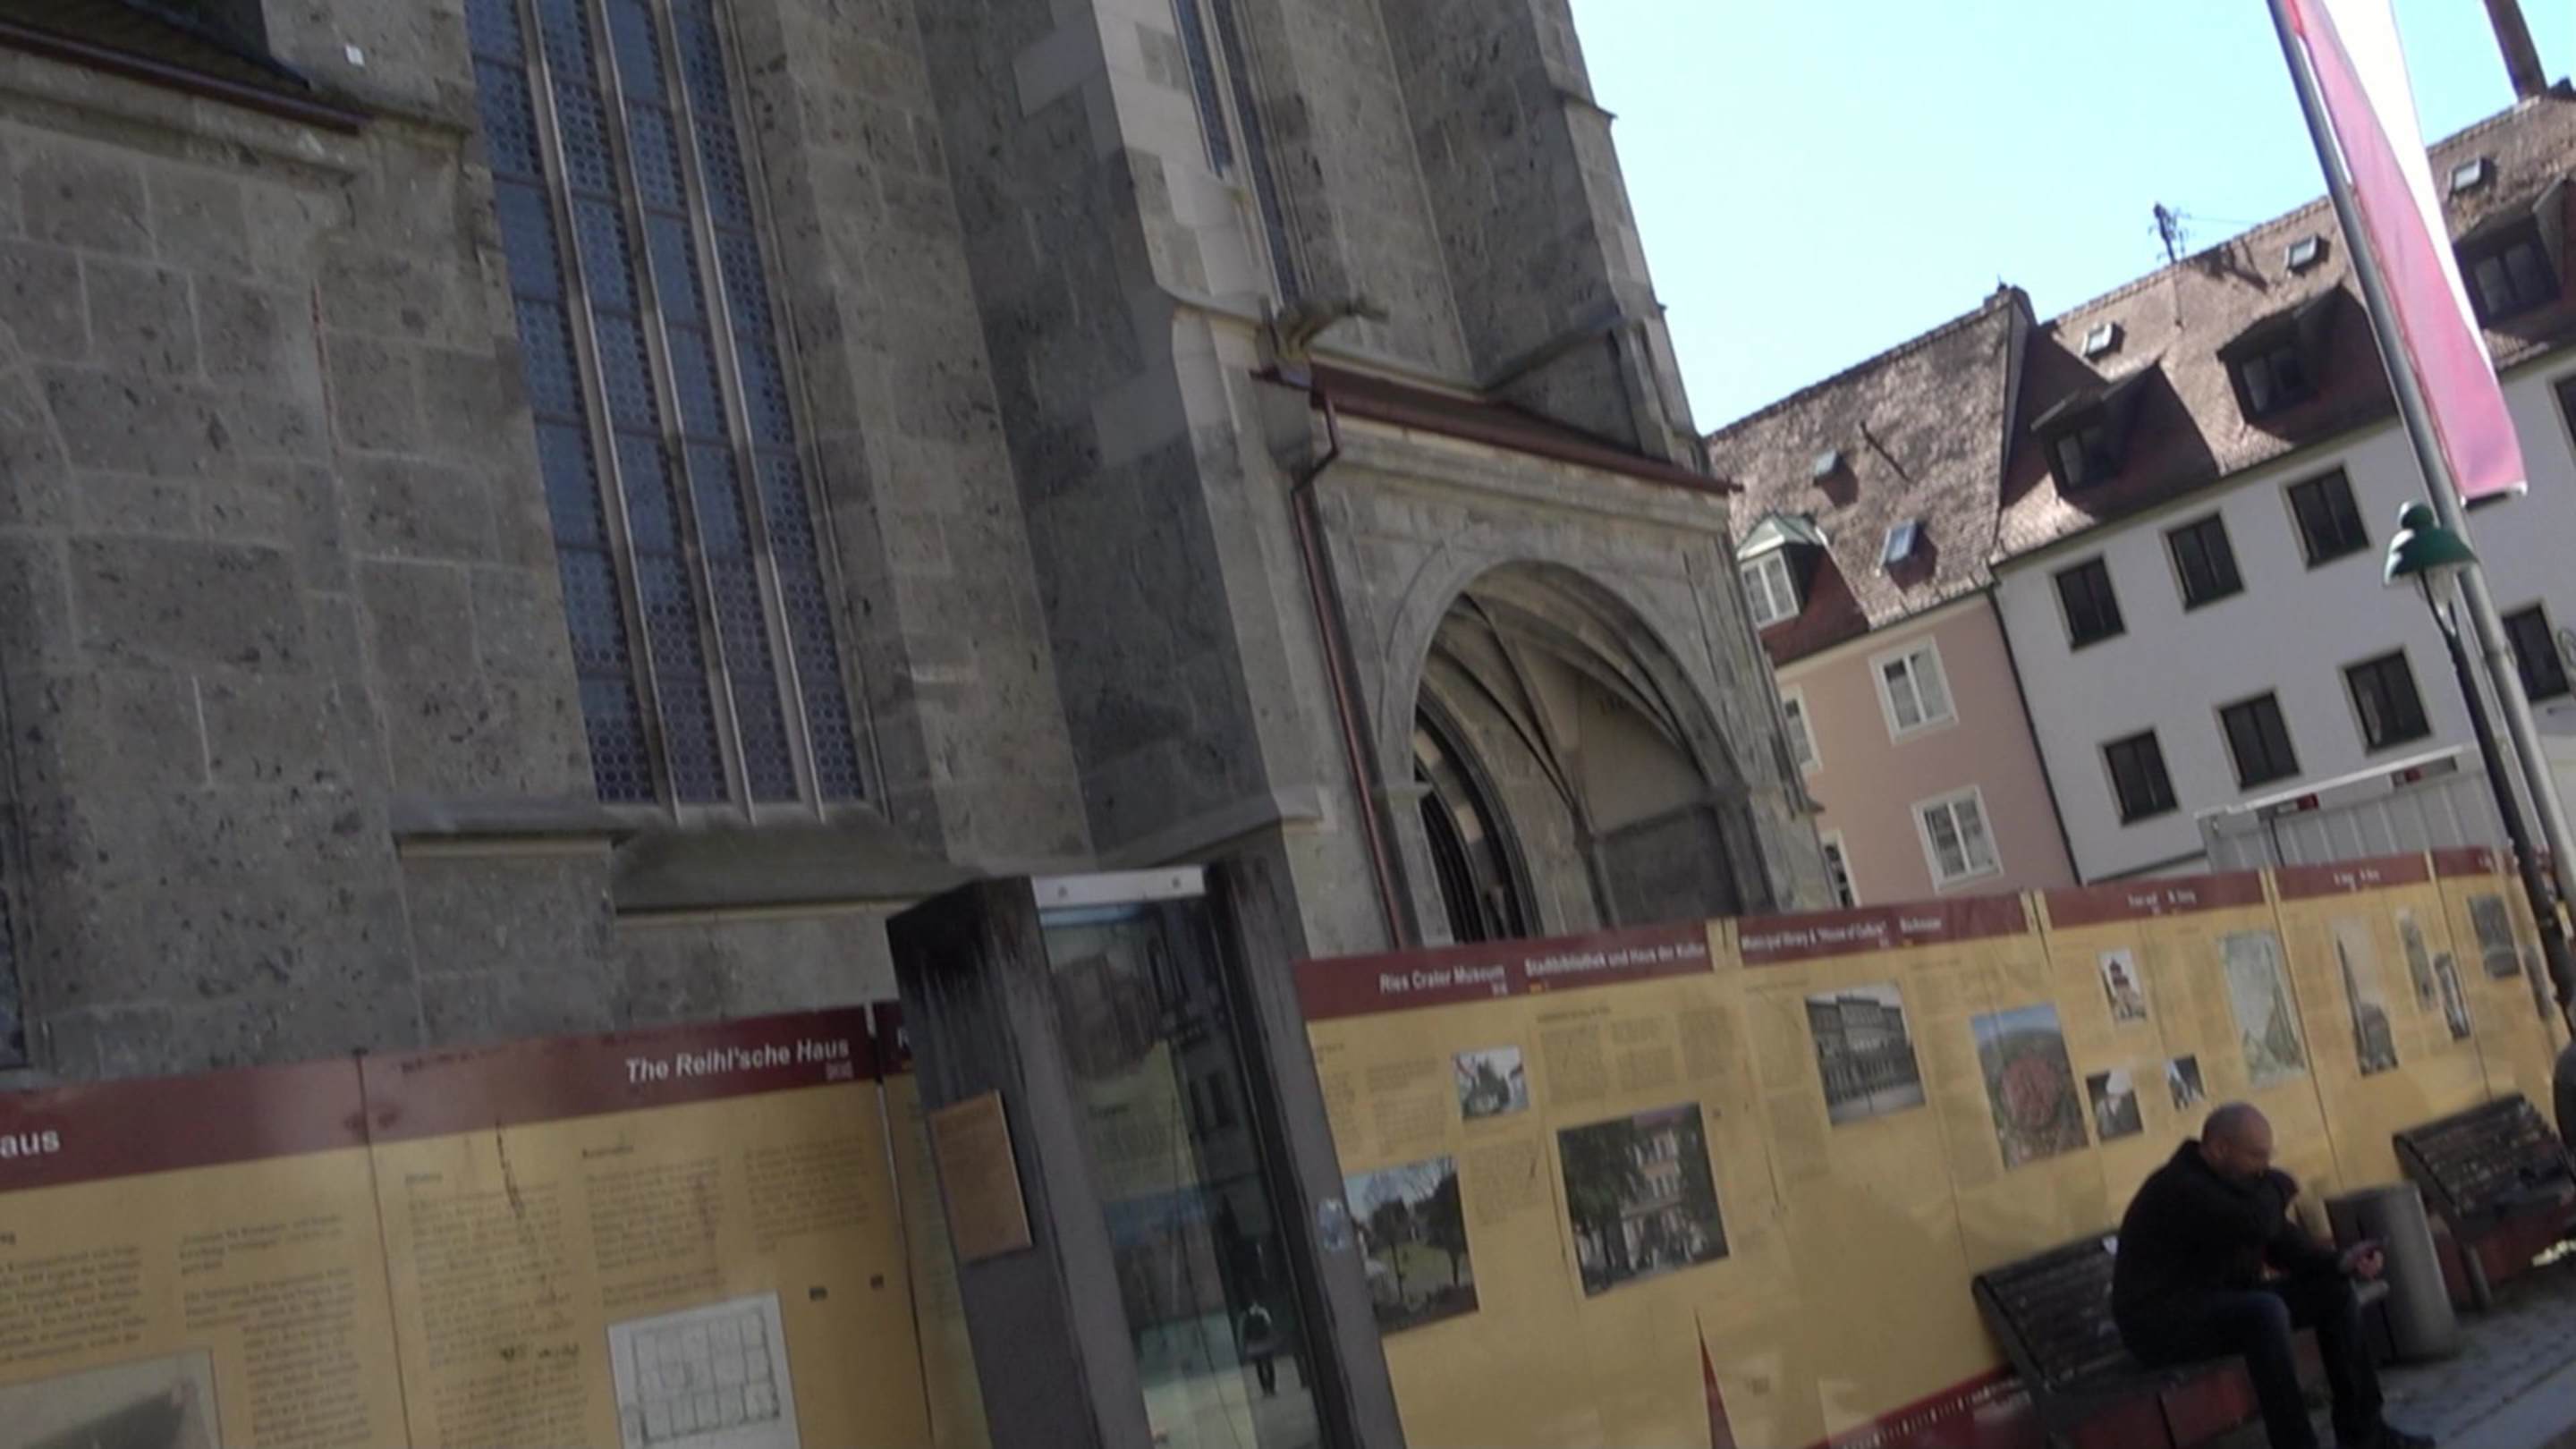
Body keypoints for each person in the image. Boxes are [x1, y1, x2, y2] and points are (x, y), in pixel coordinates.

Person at [2112, 1103, 2430, 1449]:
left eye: (2268, 1156)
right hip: (2162, 1324)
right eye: (2256, 1156)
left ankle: (2366, 1435)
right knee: (2264, 1312)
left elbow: (2281, 1241)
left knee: (2333, 1292)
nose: (2265, 1166)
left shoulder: (2236, 1183)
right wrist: (2281, 1184)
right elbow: (2256, 1223)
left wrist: (2341, 1262)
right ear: (2219, 1149)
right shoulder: (2180, 1187)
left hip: (2219, 1304)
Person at [1240, 1301, 1280, 1397]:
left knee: (1260, 1367)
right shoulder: (1262, 1312)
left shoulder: (1246, 1316)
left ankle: (1265, 1389)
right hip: (1264, 1342)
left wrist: (1245, 1345)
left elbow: (1244, 1333)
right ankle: (1271, 1388)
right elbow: (1269, 1326)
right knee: (1268, 1365)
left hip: (1254, 1344)